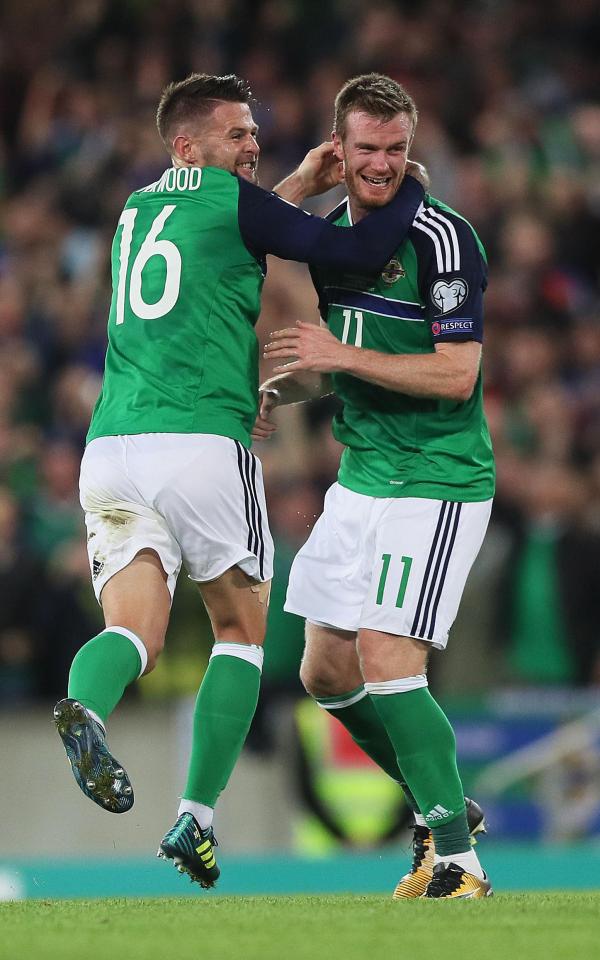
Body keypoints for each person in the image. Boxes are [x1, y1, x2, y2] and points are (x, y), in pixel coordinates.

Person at [52, 72, 427, 889]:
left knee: (135, 636)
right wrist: (410, 196)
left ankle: (85, 707)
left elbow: (233, 230)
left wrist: (294, 186)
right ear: (188, 143)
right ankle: (198, 816)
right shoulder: (235, 205)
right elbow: (353, 249)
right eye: (236, 134)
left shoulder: (136, 211)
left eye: (255, 132)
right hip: (201, 444)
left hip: (111, 450)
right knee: (242, 633)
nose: (253, 145)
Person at [257, 73, 495, 899]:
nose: (382, 164)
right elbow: (339, 364)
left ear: (410, 148)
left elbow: (458, 375)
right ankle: (445, 807)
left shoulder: (444, 240)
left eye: (396, 150)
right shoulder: (330, 240)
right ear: (339, 147)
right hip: (363, 476)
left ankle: (459, 863)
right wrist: (278, 392)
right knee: (325, 670)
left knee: (390, 656)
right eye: (366, 149)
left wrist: (335, 358)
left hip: (437, 477)